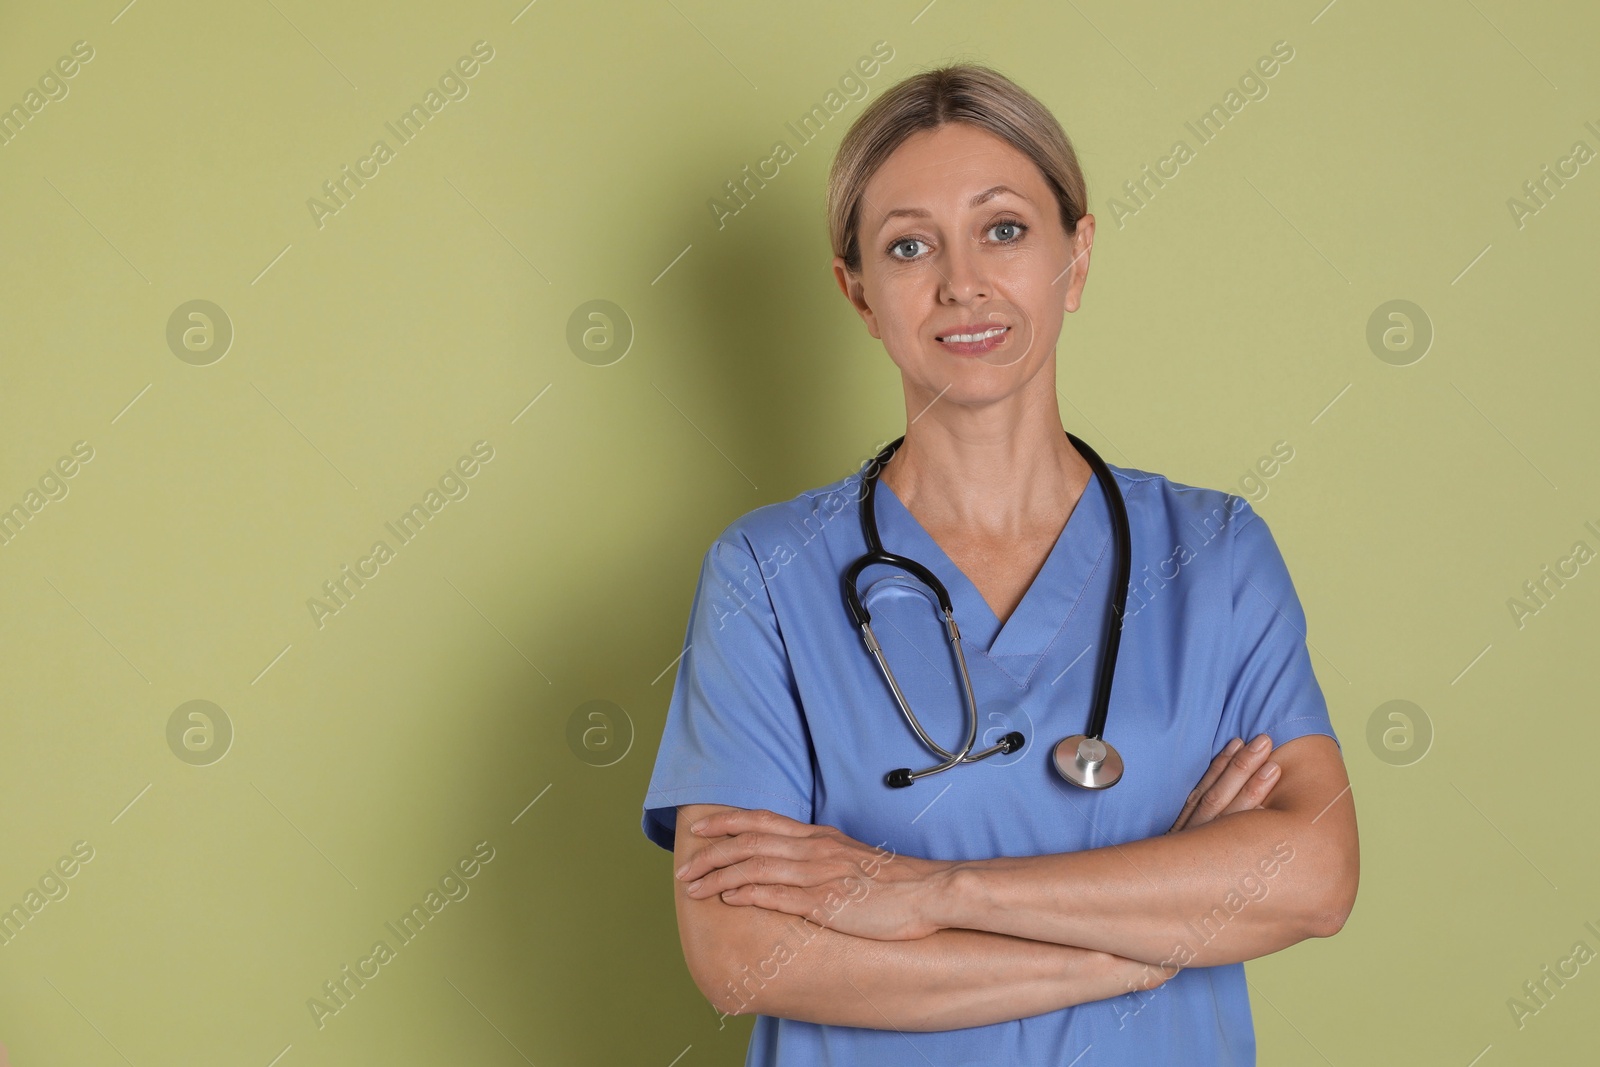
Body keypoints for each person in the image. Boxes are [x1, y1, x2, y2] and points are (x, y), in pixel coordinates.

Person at [640, 63, 1358, 1066]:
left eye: (1005, 228)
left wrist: (934, 893)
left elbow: (1316, 875)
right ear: (857, 291)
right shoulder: (766, 576)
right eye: (907, 245)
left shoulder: (1216, 554)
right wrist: (1140, 946)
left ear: (1078, 254)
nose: (961, 280)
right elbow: (740, 953)